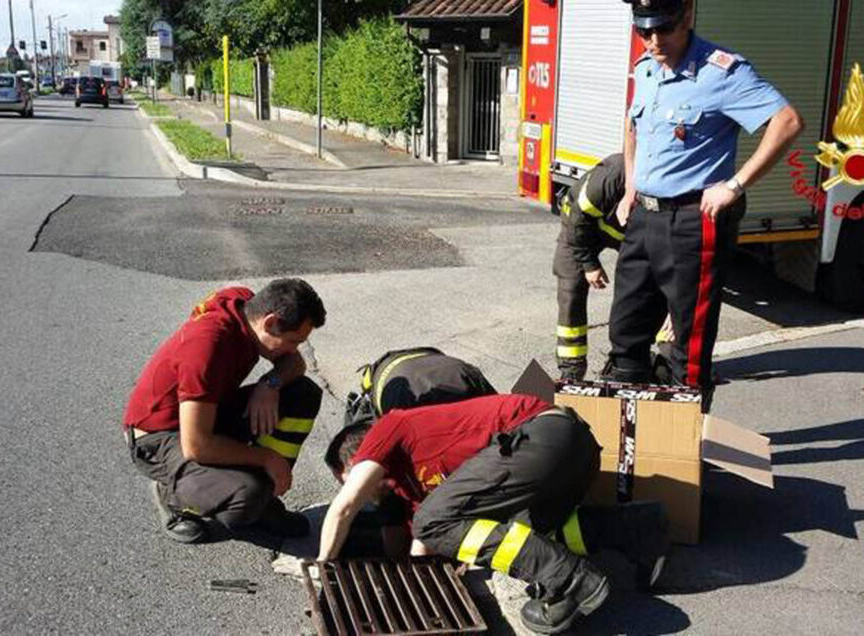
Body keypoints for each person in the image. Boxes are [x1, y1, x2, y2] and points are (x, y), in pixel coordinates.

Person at [319, 394, 669, 635]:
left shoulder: (389, 429)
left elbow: (343, 509)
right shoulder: (410, 486)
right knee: (521, 531)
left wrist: (324, 567)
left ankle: (573, 582)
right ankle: (636, 529)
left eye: (346, 479)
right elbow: (421, 547)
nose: (360, 493)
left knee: (431, 521)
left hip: (542, 435)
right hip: (574, 450)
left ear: (357, 459)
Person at [606, 0, 804, 399]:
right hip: (644, 217)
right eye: (644, 31)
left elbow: (787, 121)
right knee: (626, 329)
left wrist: (734, 185)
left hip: (692, 221)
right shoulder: (646, 68)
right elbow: (633, 127)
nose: (654, 40)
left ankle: (682, 447)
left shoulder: (722, 72)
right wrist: (630, 186)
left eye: (664, 28)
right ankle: (626, 435)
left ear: (687, 18)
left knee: (688, 344)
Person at [122, 279, 326, 544]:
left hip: (208, 412)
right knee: (246, 495)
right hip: (159, 437)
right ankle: (175, 498)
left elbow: (295, 365)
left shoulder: (244, 306)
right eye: (292, 341)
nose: (294, 350)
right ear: (269, 322)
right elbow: (198, 445)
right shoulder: (206, 347)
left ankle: (264, 495)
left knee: (302, 393)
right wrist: (266, 458)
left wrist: (270, 384)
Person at [554, 154, 674, 381]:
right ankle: (571, 370)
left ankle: (660, 360)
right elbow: (578, 217)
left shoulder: (670, 186)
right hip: (581, 231)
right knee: (571, 288)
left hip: (632, 237)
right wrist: (589, 264)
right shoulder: (613, 176)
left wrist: (677, 305)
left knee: (652, 291)